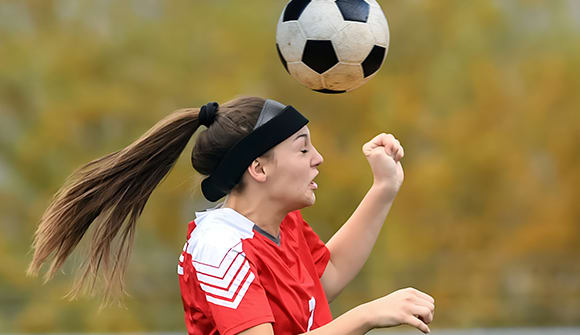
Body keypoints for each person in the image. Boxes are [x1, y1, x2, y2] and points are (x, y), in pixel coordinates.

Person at [28, 96, 435, 334]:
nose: (318, 159)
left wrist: (383, 189)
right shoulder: (219, 246)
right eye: (303, 148)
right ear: (258, 168)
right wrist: (365, 316)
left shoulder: (280, 225)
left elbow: (323, 281)